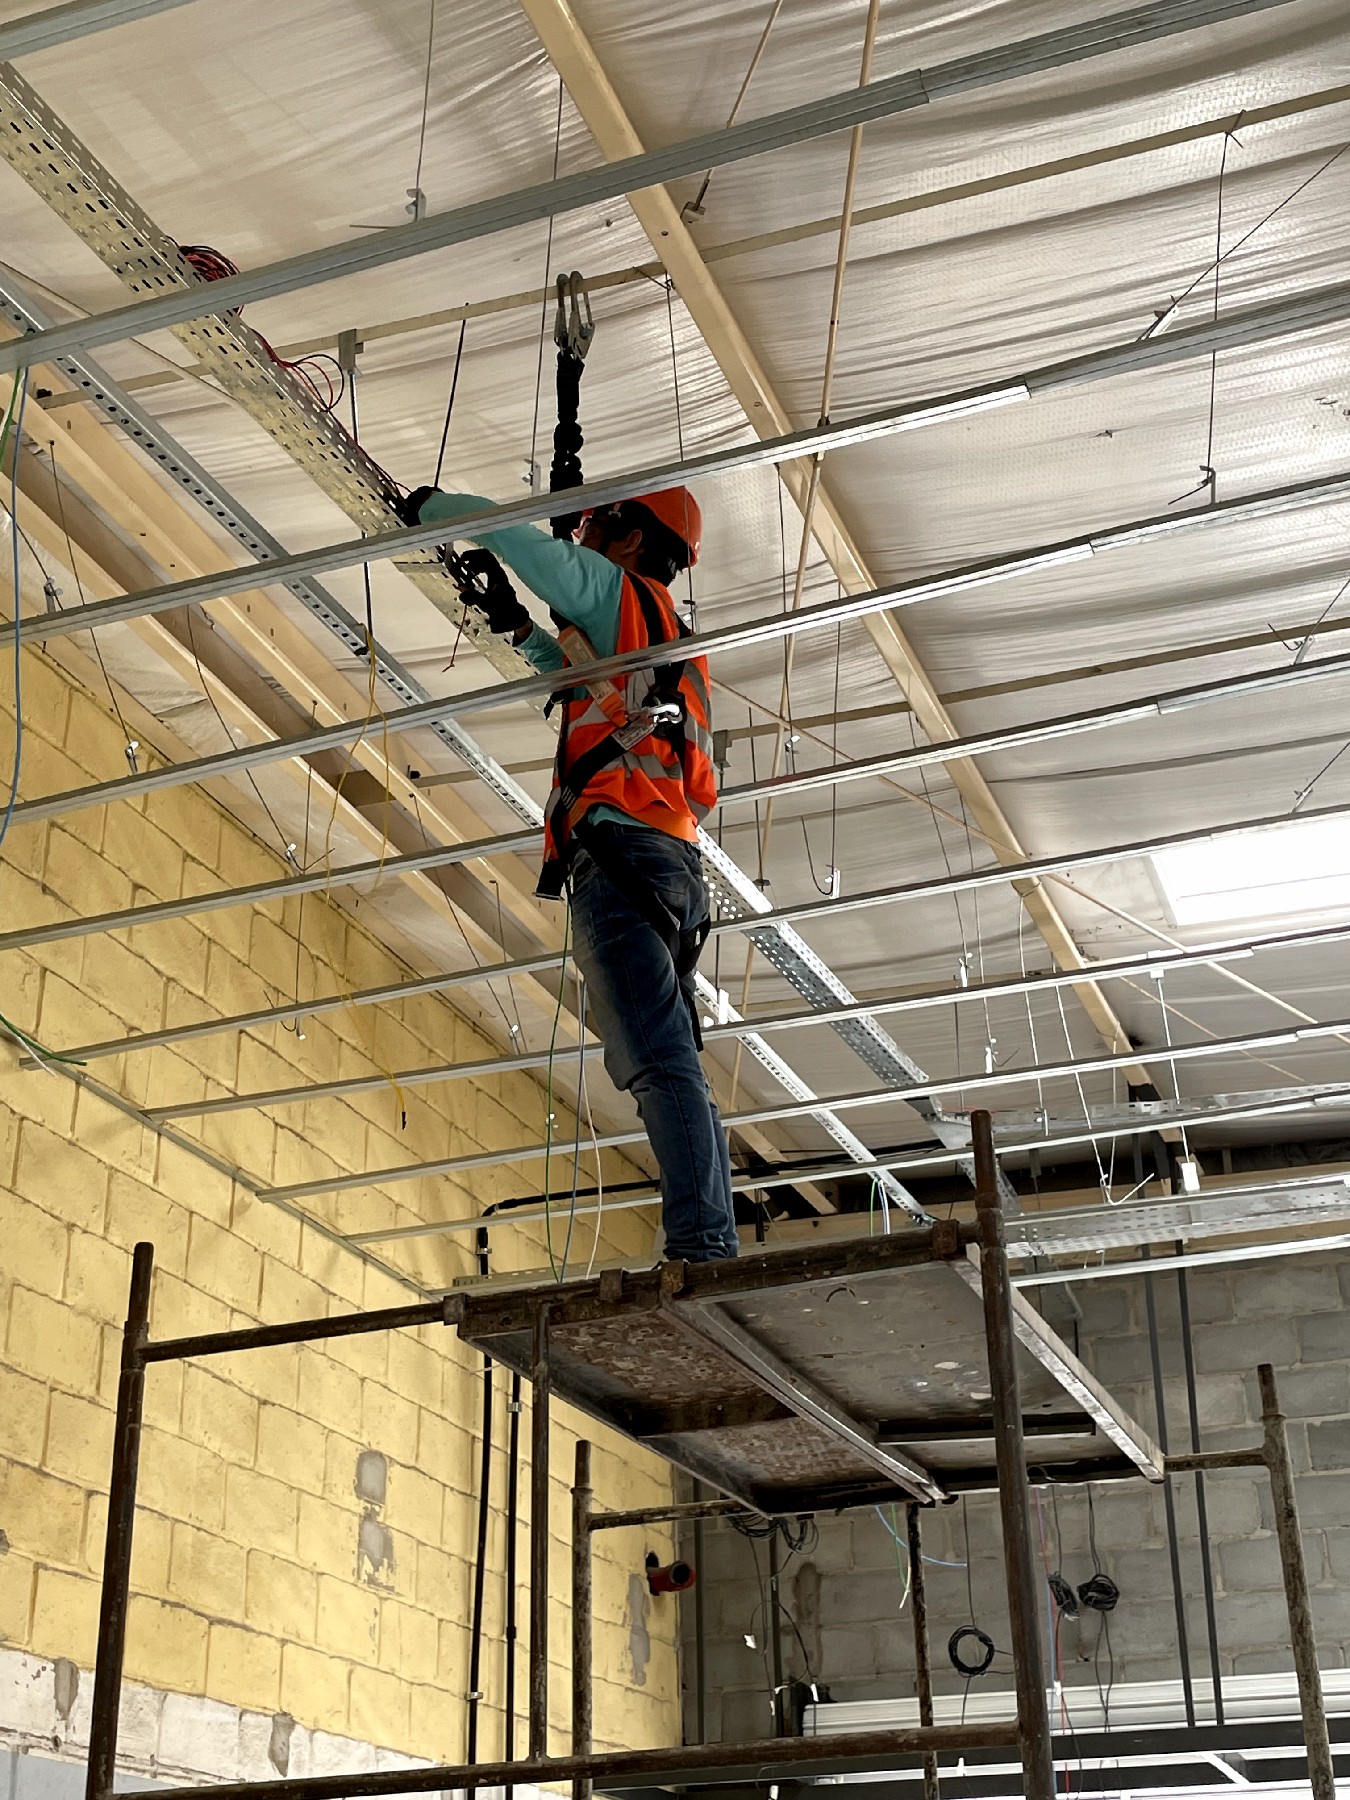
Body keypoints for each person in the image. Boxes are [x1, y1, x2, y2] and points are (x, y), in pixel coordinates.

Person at [397, 483, 740, 1264]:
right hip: (665, 860)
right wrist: (523, 631)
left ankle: (703, 1248)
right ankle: (707, 1237)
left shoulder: (620, 593)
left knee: (659, 1061)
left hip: (623, 856)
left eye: (595, 528)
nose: (582, 540)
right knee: (673, 1062)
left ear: (629, 538)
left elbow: (521, 544)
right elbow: (592, 685)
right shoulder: (662, 638)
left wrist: (432, 509)